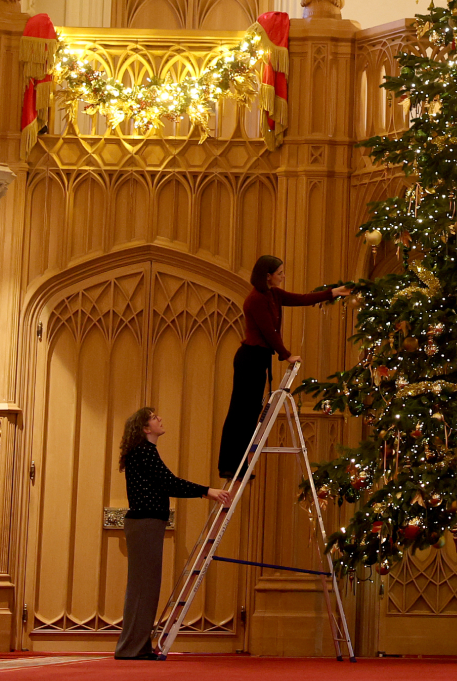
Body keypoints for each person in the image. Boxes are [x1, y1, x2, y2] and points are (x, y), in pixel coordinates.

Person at [217, 255, 350, 478]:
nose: (283, 276)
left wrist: (333, 293)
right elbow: (269, 332)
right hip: (249, 359)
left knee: (251, 414)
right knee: (240, 413)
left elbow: (302, 299)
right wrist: (286, 355)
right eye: (280, 273)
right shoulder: (255, 299)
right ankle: (229, 466)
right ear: (268, 276)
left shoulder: (273, 294)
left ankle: (240, 466)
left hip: (259, 359)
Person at [115, 408, 231, 660]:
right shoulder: (144, 452)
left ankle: (136, 646)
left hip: (147, 523)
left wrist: (204, 491)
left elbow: (166, 482)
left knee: (145, 587)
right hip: (145, 523)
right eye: (154, 418)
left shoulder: (145, 452)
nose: (160, 420)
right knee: (144, 587)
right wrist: (207, 491)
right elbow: (169, 483)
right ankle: (131, 649)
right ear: (146, 428)